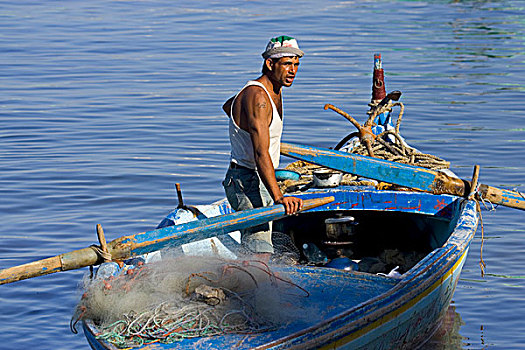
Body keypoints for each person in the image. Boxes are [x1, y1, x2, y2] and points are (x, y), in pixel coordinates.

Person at [222, 35, 304, 261]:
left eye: (296, 64)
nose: (293, 70)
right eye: (287, 64)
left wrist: (242, 126)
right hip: (247, 180)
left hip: (257, 177)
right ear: (270, 64)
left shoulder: (269, 92)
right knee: (260, 254)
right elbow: (260, 153)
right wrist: (279, 197)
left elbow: (227, 106)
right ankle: (250, 294)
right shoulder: (259, 97)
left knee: (256, 248)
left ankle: (244, 284)